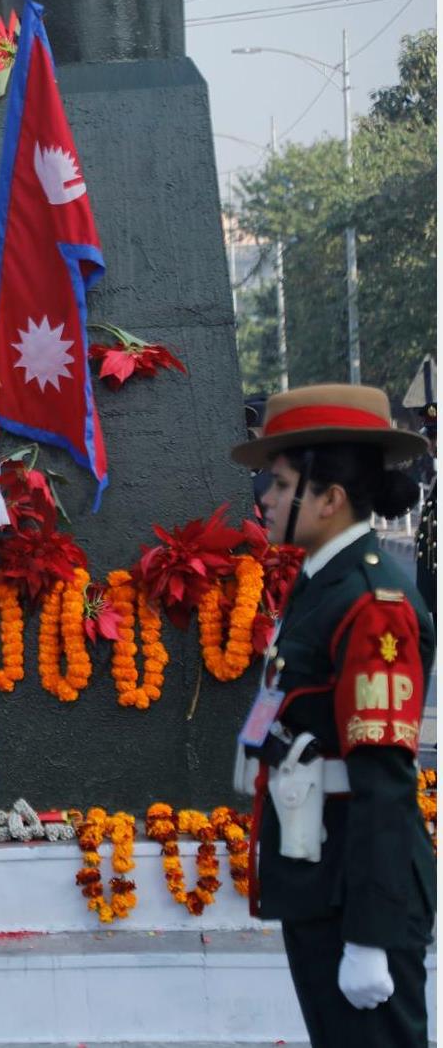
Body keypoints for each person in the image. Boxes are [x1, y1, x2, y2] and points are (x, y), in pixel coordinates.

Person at [231, 385, 435, 1048]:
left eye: (280, 483)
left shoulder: (371, 601)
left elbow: (384, 779)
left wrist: (370, 936)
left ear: (330, 498)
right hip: (323, 879)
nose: (264, 498)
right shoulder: (323, 581)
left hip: (356, 893)